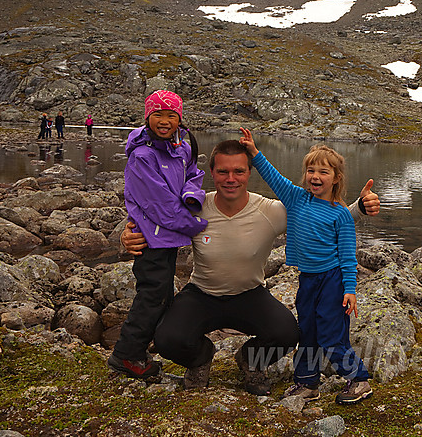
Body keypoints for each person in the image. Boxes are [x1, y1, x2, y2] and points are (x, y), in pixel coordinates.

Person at [120, 139, 379, 394]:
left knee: (290, 333)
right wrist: (127, 234)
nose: (231, 178)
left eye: (239, 171)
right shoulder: (194, 208)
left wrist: (361, 208)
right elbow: (157, 221)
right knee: (167, 338)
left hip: (252, 294)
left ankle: (253, 362)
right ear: (212, 173)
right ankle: (202, 361)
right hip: (202, 294)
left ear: (248, 173)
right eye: (223, 171)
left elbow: (327, 217)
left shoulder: (273, 210)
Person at [240, 128, 372, 405]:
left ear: (336, 179)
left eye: (324, 172)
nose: (315, 176)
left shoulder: (341, 216)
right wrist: (254, 152)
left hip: (333, 281)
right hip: (308, 280)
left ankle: (358, 380)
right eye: (311, 170)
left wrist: (350, 290)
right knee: (308, 332)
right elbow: (272, 176)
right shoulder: (296, 198)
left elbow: (348, 257)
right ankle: (307, 383)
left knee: (331, 335)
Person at [108, 90, 207, 379]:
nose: (165, 121)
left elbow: (194, 174)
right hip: (151, 239)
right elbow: (161, 206)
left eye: (171, 115)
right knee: (152, 295)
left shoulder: (183, 148)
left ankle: (138, 350)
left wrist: (191, 194)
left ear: (179, 118)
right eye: (158, 114)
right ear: (147, 117)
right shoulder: (142, 156)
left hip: (168, 239)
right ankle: (126, 354)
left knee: (161, 295)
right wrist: (198, 227)